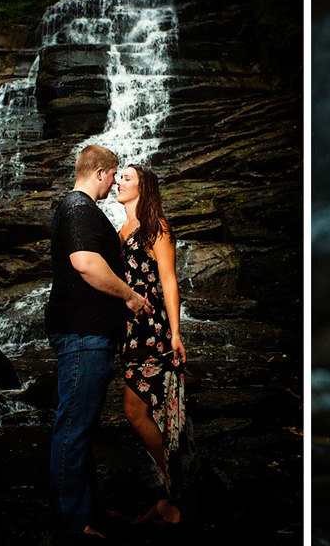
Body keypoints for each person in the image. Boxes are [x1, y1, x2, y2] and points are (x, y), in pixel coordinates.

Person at [45, 144, 153, 540]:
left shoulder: (78, 210)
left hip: (87, 332)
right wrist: (129, 296)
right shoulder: (78, 208)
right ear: (102, 173)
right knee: (74, 427)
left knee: (80, 427)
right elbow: (86, 264)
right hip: (82, 333)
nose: (114, 183)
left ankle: (83, 507)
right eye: (114, 175)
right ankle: (73, 522)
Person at [116, 163, 192, 526]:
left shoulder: (156, 227)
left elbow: (169, 280)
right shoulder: (121, 231)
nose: (119, 181)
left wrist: (176, 334)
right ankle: (168, 499)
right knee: (149, 414)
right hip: (130, 331)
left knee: (137, 411)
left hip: (154, 329)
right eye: (119, 177)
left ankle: (177, 495)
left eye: (126, 178)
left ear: (143, 188)